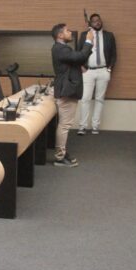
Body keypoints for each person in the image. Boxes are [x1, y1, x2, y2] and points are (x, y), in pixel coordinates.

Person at [51, 23, 92, 167]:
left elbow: (79, 58)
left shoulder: (62, 48)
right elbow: (80, 56)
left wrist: (87, 45)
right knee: (65, 125)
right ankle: (59, 157)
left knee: (65, 124)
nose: (70, 33)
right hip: (67, 91)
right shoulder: (60, 49)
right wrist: (88, 41)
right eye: (67, 31)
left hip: (67, 90)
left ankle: (62, 151)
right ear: (60, 35)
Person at [77, 14, 116, 135]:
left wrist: (109, 69)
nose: (97, 22)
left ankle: (95, 126)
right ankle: (82, 126)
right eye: (94, 21)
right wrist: (81, 67)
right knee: (85, 99)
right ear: (90, 23)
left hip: (103, 71)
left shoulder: (109, 36)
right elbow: (78, 52)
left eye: (98, 20)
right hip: (88, 71)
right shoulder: (84, 35)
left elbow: (114, 54)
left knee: (99, 99)